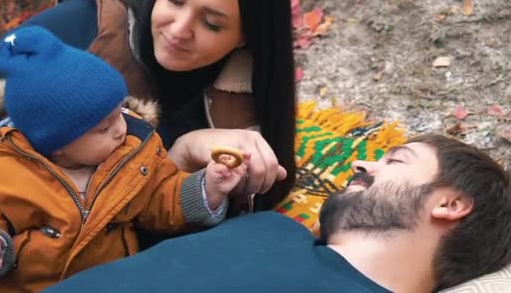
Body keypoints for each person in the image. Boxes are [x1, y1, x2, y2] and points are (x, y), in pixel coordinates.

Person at [0, 0, 296, 289]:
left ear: (248, 34)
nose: (178, 29)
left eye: (212, 23)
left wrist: (190, 158)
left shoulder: (243, 98)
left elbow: (164, 207)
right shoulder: (97, 21)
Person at [0, 26, 250, 292]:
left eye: (120, 114)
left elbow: (161, 196)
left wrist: (208, 187)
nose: (122, 129)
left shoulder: (131, 156)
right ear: (57, 143)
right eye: (105, 126)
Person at [42, 134, 511, 293]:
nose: (362, 163)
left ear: (449, 204)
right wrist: (186, 149)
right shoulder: (268, 224)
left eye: (396, 160)